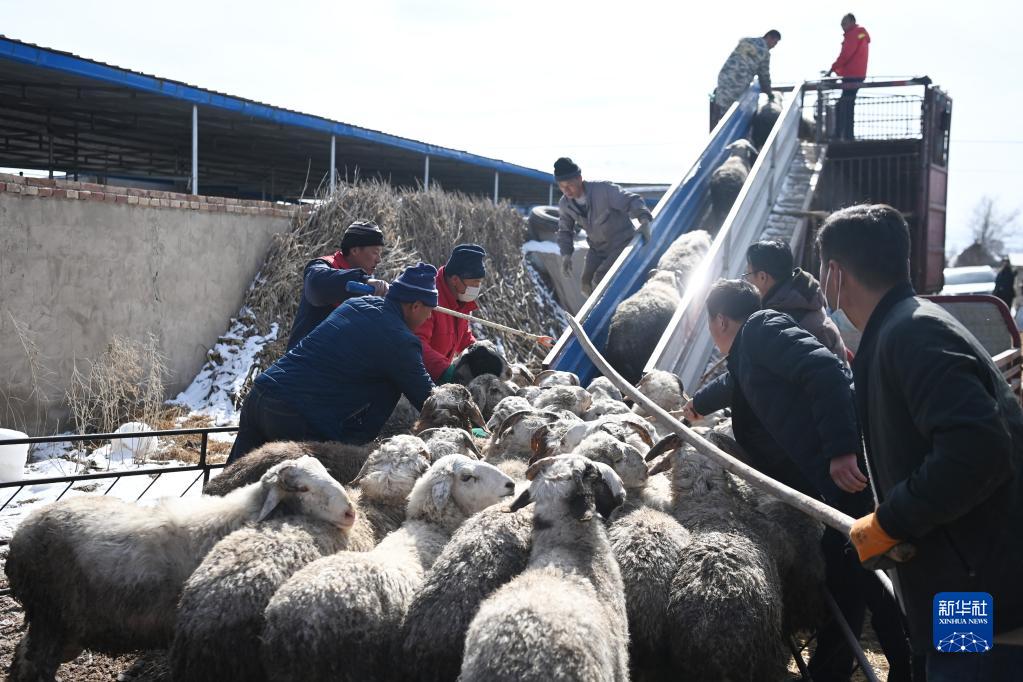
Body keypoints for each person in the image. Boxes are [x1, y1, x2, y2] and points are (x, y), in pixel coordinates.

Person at [818, 204, 1023, 680]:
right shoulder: (905, 327)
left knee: (969, 669)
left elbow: (977, 450)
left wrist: (889, 523)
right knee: (950, 664)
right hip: (962, 580)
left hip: (975, 593)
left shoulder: (913, 333)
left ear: (834, 274)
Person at [686, 279, 912, 681]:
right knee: (851, 570)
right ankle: (848, 668)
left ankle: (906, 662)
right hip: (828, 484)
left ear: (720, 321)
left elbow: (825, 369)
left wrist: (841, 451)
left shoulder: (762, 329)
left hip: (845, 477)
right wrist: (695, 407)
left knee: (867, 570)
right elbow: (733, 384)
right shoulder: (748, 352)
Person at [228, 263, 438, 462]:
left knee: (231, 484)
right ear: (415, 306)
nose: (429, 317)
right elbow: (429, 399)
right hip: (296, 415)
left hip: (261, 395)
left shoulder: (355, 304)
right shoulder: (401, 341)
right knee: (301, 485)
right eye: (429, 310)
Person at [687, 240, 847, 420]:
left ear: (763, 277)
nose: (746, 280)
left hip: (817, 415)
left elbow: (746, 375)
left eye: (748, 274)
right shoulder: (803, 295)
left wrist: (702, 403)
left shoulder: (777, 324)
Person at [555, 157, 654, 296]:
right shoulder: (565, 204)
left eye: (569, 184)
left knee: (600, 279)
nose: (566, 190)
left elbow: (631, 200)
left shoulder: (603, 190)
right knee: (586, 283)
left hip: (621, 244)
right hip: (597, 249)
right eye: (561, 186)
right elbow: (565, 231)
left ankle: (617, 304)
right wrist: (566, 255)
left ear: (579, 179)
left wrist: (644, 220)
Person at [286, 219, 390, 349]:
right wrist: (363, 280)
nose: (379, 259)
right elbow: (315, 287)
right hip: (303, 358)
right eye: (375, 252)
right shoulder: (323, 266)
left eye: (380, 253)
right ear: (355, 250)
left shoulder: (367, 287)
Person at [415, 244, 488, 382]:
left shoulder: (461, 299)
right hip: (416, 378)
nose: (477, 288)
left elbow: (463, 337)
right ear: (455, 280)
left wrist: (482, 354)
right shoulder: (429, 299)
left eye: (479, 283)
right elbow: (416, 344)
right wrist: (445, 371)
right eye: (475, 282)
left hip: (437, 377)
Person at [711, 30, 781, 130]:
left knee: (720, 104)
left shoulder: (746, 41)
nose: (773, 46)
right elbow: (764, 76)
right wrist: (769, 93)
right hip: (738, 82)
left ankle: (714, 128)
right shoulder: (764, 51)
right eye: (774, 42)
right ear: (769, 37)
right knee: (729, 112)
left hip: (724, 77)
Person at [826, 14, 870, 141]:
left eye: (844, 24)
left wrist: (832, 69)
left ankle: (842, 135)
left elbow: (846, 54)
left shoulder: (854, 34)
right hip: (858, 74)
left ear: (852, 22)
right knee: (847, 104)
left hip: (851, 75)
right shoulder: (861, 34)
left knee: (844, 105)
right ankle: (847, 135)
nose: (842, 27)